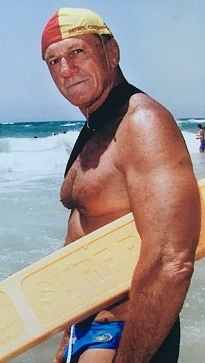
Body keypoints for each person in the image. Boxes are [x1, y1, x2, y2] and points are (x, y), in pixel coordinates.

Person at [42, 8, 200, 362]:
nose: (65, 70)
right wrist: (69, 333)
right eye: (53, 61)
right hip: (89, 332)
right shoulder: (97, 127)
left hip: (124, 334)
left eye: (77, 52)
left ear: (111, 53)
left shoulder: (142, 123)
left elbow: (170, 263)